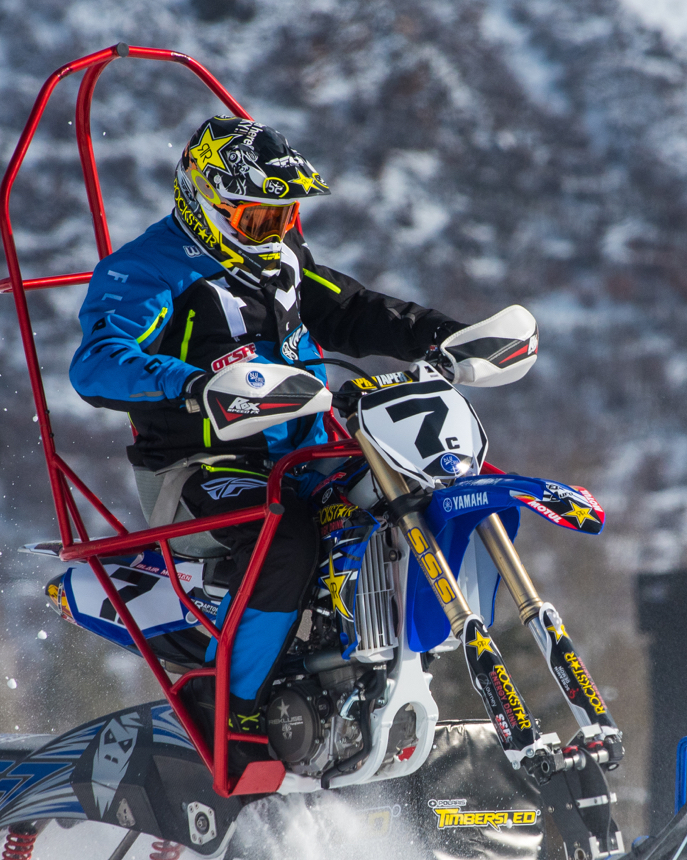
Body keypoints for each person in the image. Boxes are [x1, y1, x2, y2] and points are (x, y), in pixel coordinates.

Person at [70, 116, 468, 735]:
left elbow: (357, 312)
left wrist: (449, 335)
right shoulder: (149, 270)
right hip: (200, 470)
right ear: (204, 198)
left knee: (416, 491)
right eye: (255, 217)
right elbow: (96, 364)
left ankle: (370, 681)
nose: (271, 231)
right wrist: (191, 384)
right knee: (288, 539)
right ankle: (236, 709)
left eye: (282, 216)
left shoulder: (282, 260)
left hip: (306, 455)